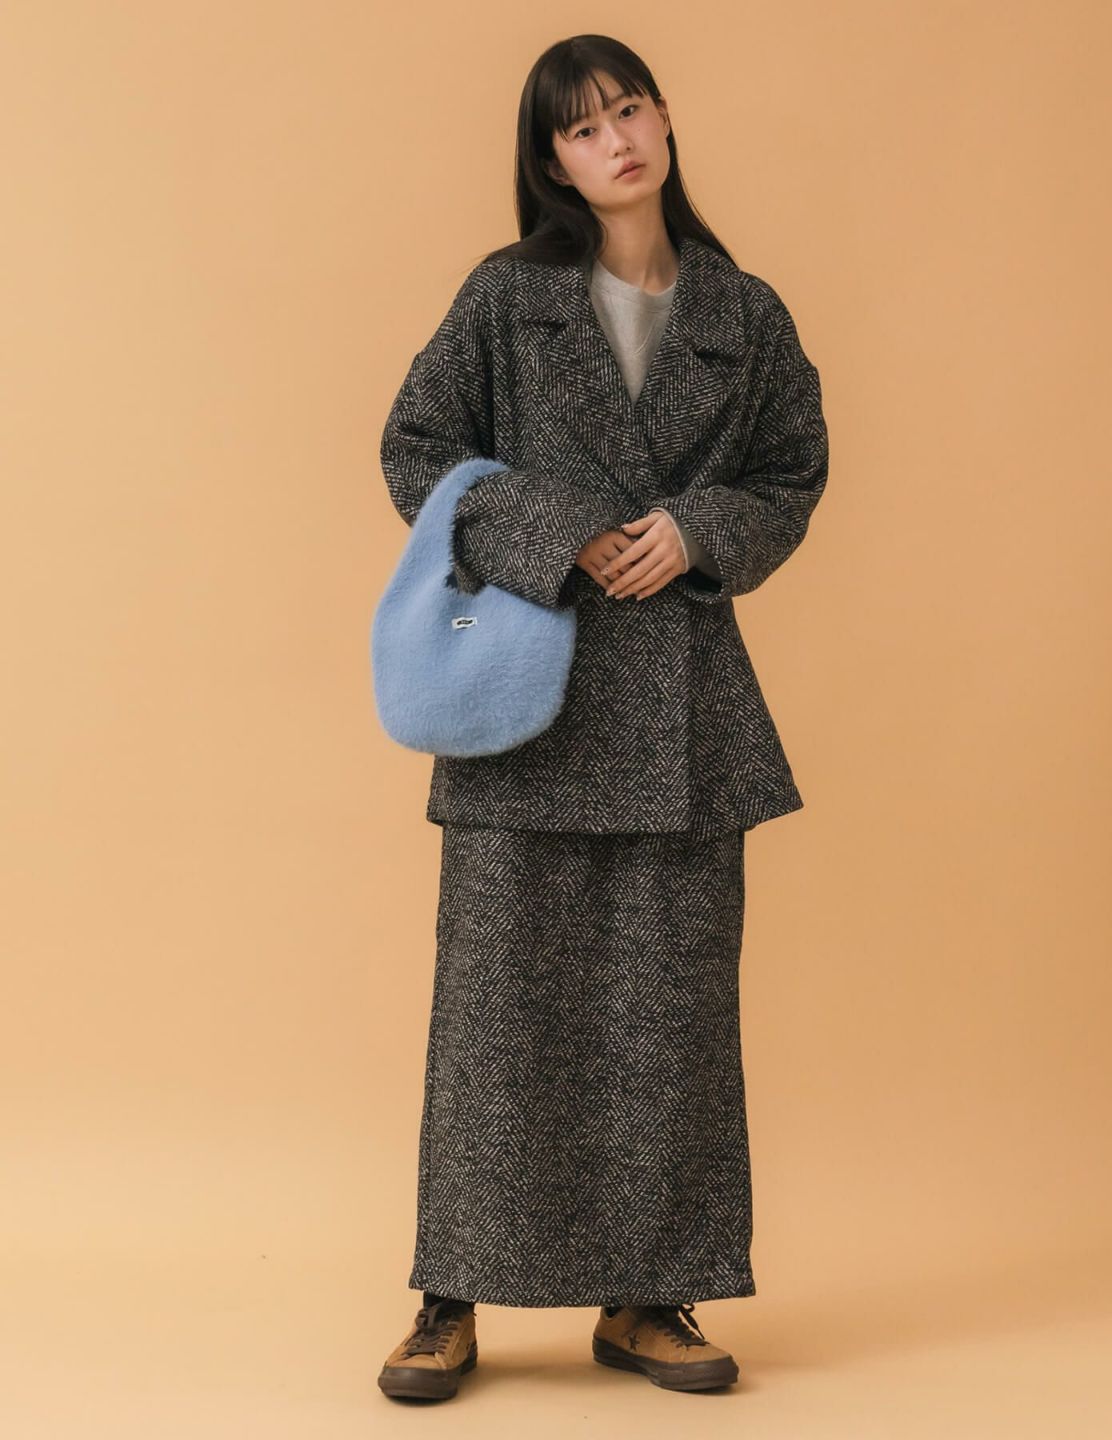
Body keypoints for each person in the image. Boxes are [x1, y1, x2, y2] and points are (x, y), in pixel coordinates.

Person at [375, 33, 830, 1403]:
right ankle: (448, 1295)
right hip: (528, 699)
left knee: (668, 1019)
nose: (615, 141)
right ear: (553, 161)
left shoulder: (744, 312)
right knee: (496, 1017)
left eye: (628, 109)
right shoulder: (507, 297)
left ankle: (650, 1298)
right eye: (581, 129)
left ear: (665, 118)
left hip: (684, 711)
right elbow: (419, 450)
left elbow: (792, 475)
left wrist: (698, 530)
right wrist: (556, 530)